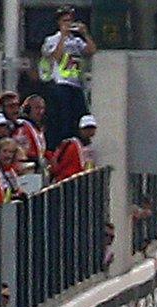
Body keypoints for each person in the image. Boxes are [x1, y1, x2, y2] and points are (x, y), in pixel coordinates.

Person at [39, 7, 95, 147]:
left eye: (70, 20)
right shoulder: (52, 39)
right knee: (64, 118)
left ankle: (80, 142)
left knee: (80, 117)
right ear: (59, 22)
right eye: (65, 21)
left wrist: (85, 34)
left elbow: (91, 50)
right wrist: (63, 37)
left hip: (76, 83)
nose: (68, 23)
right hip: (61, 83)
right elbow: (56, 57)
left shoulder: (76, 41)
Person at [49, 113, 98, 182]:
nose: (89, 131)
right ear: (80, 129)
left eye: (91, 128)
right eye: (86, 128)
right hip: (68, 183)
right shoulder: (70, 145)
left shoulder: (92, 147)